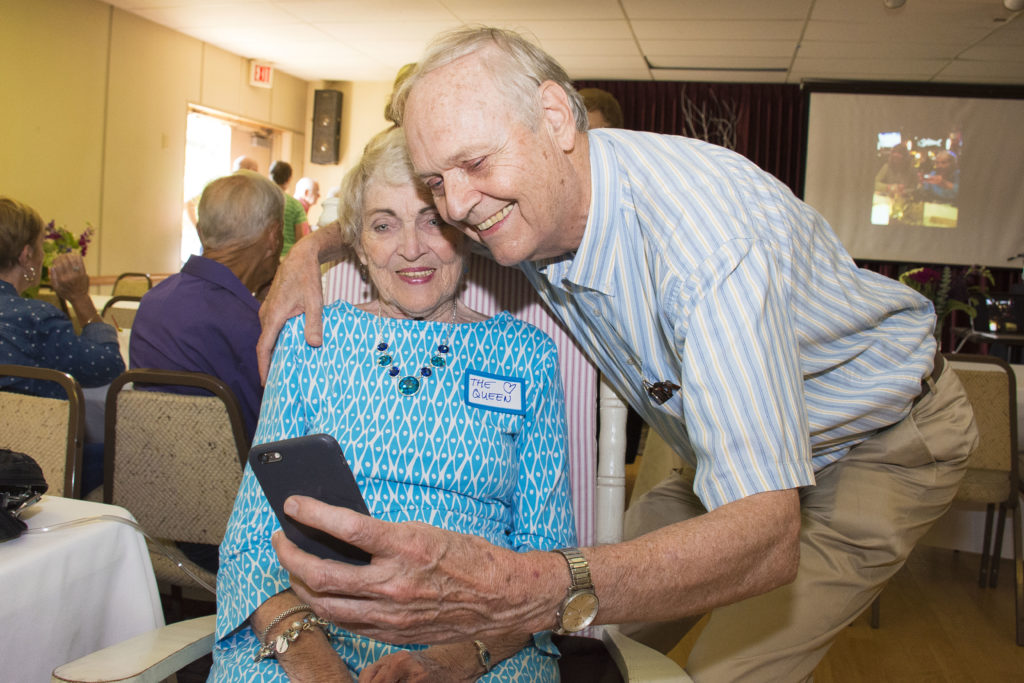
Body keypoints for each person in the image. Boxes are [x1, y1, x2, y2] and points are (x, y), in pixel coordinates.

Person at [256, 27, 978, 682]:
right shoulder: (530, 193)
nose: (458, 207)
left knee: (715, 672)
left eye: (473, 165)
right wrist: (309, 249)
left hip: (873, 444)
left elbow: (764, 537)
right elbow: (399, 226)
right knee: (601, 645)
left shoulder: (705, 249)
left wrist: (516, 584)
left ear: (556, 119)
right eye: (439, 180)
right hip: (714, 442)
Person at [210, 127, 576, 682]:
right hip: (308, 629)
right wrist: (320, 668)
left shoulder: (526, 355)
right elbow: (251, 544)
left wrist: (448, 663)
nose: (411, 248)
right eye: (384, 224)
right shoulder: (312, 341)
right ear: (357, 243)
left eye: (432, 221)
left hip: (479, 641)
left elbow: (548, 559)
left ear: (467, 231)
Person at [131, 170, 283, 447]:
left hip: (149, 472)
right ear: (274, 236)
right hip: (232, 484)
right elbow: (271, 435)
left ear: (200, 230)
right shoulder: (251, 327)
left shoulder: (152, 301)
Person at [0, 197, 125, 492]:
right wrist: (80, 298)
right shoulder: (34, 319)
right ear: (26, 254)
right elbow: (107, 367)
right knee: (130, 453)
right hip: (31, 468)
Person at [269, 160, 310, 257]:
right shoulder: (295, 205)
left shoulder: (260, 201)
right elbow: (300, 239)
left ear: (270, 176)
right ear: (289, 179)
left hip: (265, 256)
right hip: (287, 257)